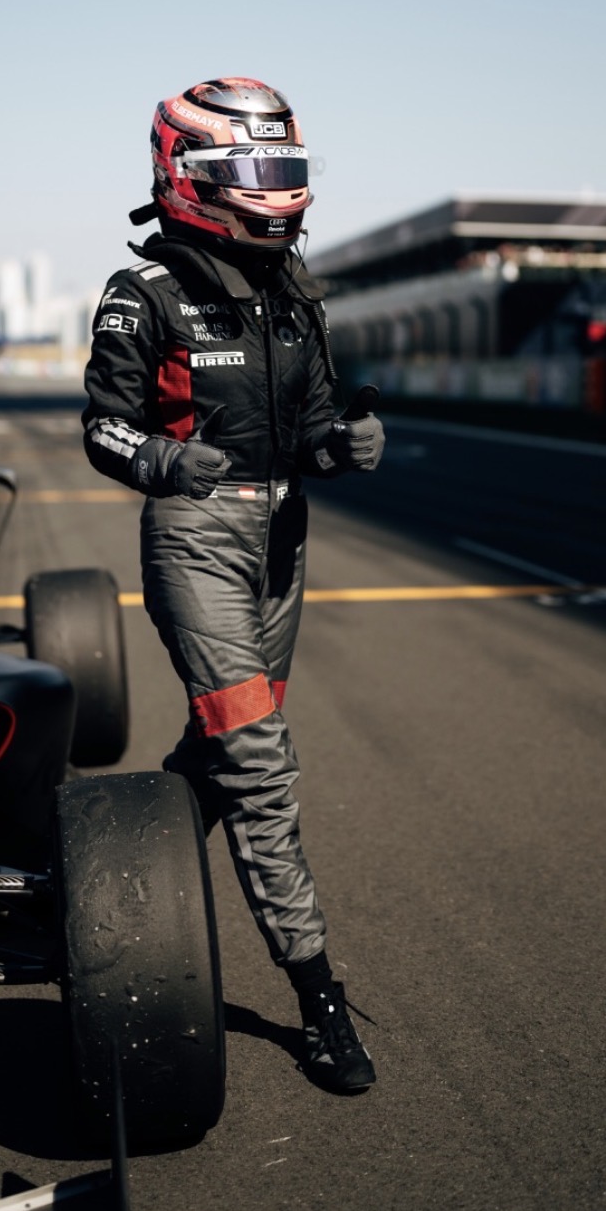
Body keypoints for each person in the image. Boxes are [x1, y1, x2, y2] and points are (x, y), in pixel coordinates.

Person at [82, 77, 385, 1093]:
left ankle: (101, 879)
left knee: (219, 749)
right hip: (196, 538)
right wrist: (168, 465)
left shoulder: (299, 293)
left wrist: (341, 443)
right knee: (258, 758)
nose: (279, 192)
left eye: (288, 171)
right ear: (192, 174)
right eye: (258, 172)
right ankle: (319, 995)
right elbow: (105, 428)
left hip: (282, 536)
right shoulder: (146, 294)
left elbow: (312, 419)